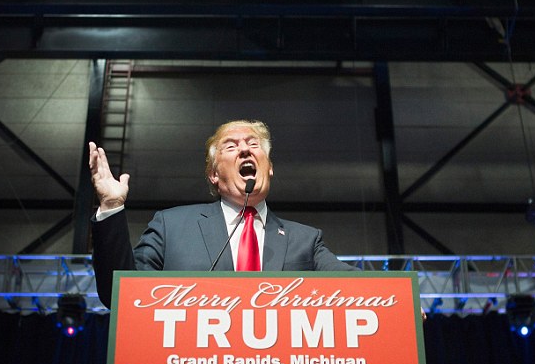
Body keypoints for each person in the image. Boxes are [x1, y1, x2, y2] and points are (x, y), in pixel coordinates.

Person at [89, 119, 357, 308]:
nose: (244, 149)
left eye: (253, 145)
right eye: (231, 146)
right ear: (214, 175)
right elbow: (119, 294)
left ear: (270, 167)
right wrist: (112, 206)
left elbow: (360, 291)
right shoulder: (172, 226)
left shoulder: (305, 240)